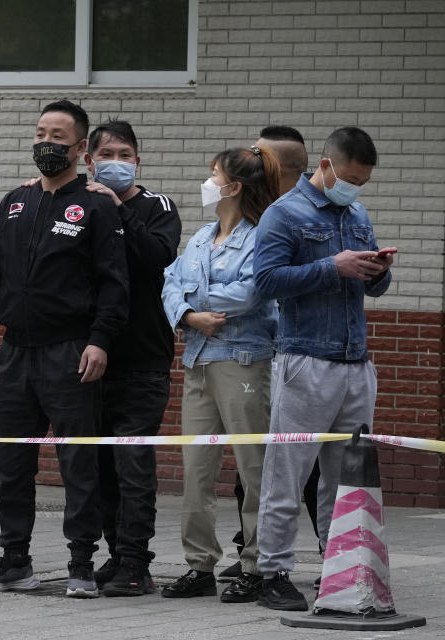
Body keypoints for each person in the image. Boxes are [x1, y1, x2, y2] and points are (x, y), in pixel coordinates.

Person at [0, 100, 129, 598]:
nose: (46, 143)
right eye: (40, 133)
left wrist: (100, 341)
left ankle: (81, 564)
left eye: (58, 136)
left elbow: (114, 284)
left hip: (70, 351)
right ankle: (15, 559)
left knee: (78, 461)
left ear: (80, 148)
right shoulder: (14, 201)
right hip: (15, 352)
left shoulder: (97, 204)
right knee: (11, 461)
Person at [253, 126, 393, 611]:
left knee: (347, 477)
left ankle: (341, 567)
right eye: (350, 177)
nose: (356, 188)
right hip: (305, 359)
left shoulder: (356, 212)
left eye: (363, 181)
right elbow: (266, 282)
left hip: (355, 361)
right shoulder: (283, 213)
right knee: (287, 474)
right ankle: (272, 571)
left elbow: (372, 289)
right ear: (326, 166)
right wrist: (334, 266)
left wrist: (378, 268)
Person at [160, 146, 280, 603]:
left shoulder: (261, 236)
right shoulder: (201, 236)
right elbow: (169, 284)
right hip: (197, 361)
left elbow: (250, 293)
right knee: (196, 471)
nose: (207, 183)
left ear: (233, 187)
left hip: (243, 360)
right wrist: (189, 315)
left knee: (254, 468)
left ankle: (255, 564)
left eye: (213, 176)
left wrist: (194, 297)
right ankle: (199, 564)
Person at [82, 121, 182, 597]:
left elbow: (156, 256)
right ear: (89, 160)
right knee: (99, 465)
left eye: (125, 154)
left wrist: (118, 205)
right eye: (107, 153)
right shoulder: (81, 205)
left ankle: (137, 562)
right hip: (91, 356)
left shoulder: (155, 206)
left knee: (132, 461)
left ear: (137, 160)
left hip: (144, 358)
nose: (116, 161)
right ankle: (116, 552)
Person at [221, 125, 321, 583]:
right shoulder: (241, 221)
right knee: (254, 465)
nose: (251, 170)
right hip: (255, 357)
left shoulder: (305, 219)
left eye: (262, 163)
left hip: (301, 359)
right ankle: (251, 554)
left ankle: (331, 552)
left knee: (313, 468)